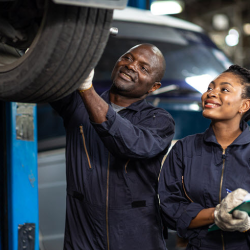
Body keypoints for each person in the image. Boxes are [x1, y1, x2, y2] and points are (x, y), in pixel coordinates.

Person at [50, 44, 175, 250]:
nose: (131, 66)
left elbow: (130, 144)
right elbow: (44, 77)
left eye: (144, 68)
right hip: (83, 240)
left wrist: (86, 89)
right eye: (127, 58)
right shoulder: (77, 105)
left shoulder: (158, 120)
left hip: (137, 242)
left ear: (154, 87)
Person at [158, 65, 250, 250]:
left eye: (224, 89)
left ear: (244, 105)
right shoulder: (184, 149)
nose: (211, 93)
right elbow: (169, 208)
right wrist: (216, 215)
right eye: (210, 88)